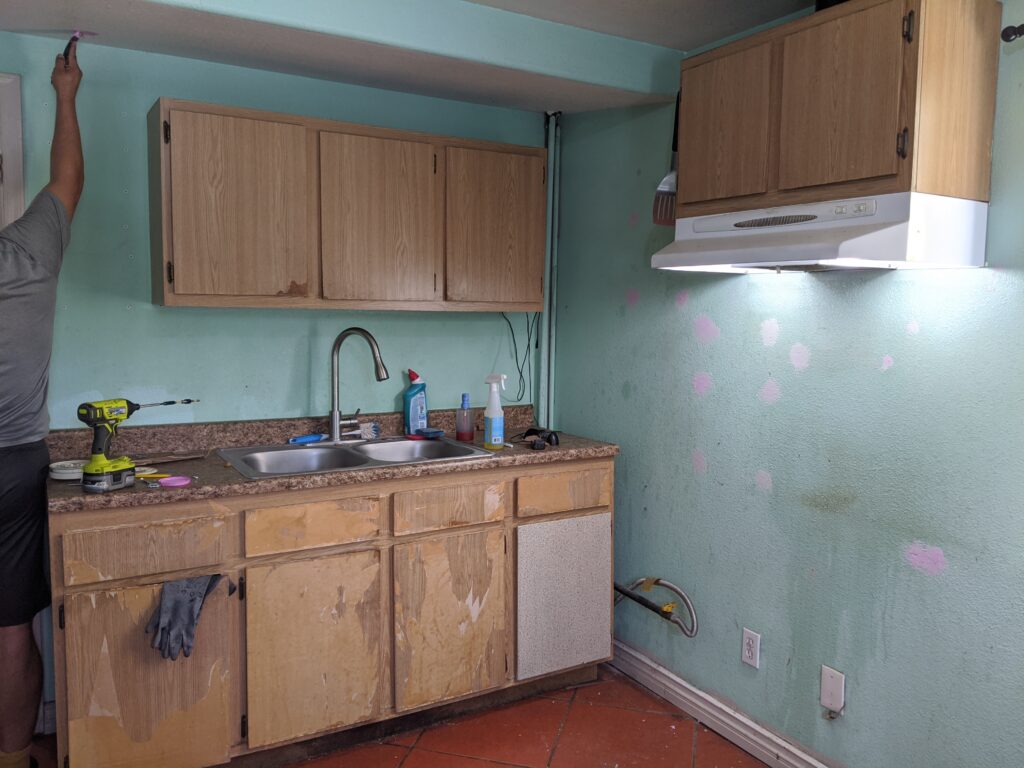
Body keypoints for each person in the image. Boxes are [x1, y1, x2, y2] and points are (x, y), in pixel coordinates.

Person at [0, 40, 83, 768]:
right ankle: (16, 753)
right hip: (14, 468)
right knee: (9, 630)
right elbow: (67, 178)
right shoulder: (29, 254)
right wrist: (65, 95)